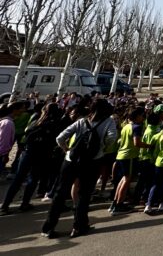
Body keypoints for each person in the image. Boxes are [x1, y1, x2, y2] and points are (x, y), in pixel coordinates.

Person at [42, 99, 118, 239]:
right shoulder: (108, 122)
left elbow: (60, 138)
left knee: (60, 193)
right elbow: (112, 137)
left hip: (71, 160)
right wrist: (103, 149)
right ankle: (78, 226)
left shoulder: (82, 121)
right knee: (84, 194)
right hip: (91, 161)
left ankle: (48, 227)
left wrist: (67, 150)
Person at [111, 107, 151, 215]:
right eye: (142, 115)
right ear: (137, 116)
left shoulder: (126, 126)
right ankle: (119, 205)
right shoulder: (136, 127)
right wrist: (149, 146)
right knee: (126, 180)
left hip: (121, 155)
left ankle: (116, 202)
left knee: (123, 180)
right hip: (129, 156)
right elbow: (136, 143)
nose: (143, 118)